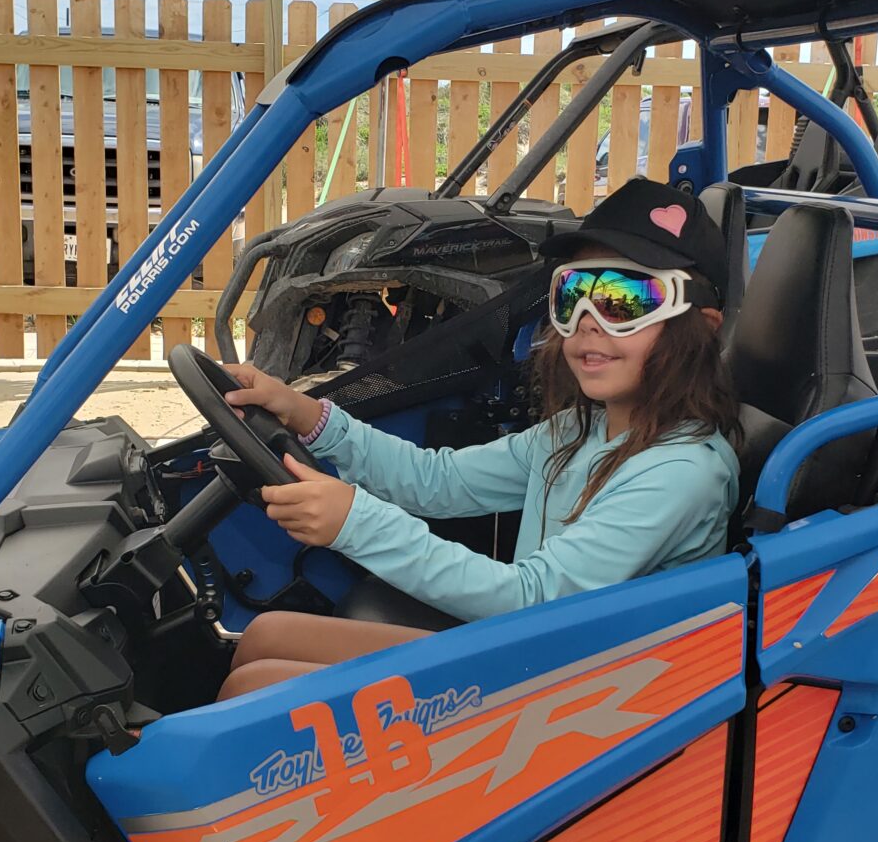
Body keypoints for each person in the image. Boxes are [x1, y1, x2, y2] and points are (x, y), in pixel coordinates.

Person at [217, 178, 743, 699]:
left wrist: (355, 523)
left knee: (254, 687)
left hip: (587, 694)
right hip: (536, 651)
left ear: (702, 324)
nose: (587, 323)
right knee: (267, 634)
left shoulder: (683, 472)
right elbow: (438, 481)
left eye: (624, 300)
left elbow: (534, 597)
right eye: (573, 294)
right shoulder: (579, 430)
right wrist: (310, 416)